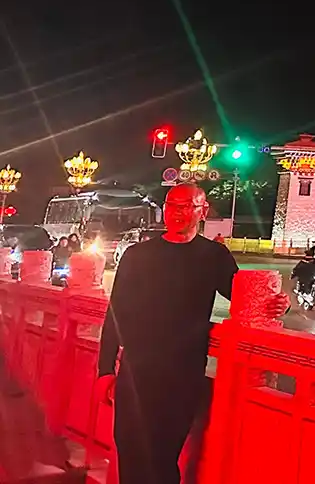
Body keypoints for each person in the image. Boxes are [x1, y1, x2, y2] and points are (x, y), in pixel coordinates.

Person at [95, 183, 287, 484]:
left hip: (182, 374)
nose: (177, 213)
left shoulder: (213, 256)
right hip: (136, 372)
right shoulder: (137, 255)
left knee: (163, 455)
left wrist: (277, 305)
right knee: (130, 450)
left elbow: (244, 297)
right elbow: (116, 313)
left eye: (187, 206)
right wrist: (105, 370)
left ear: (203, 211)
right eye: (172, 205)